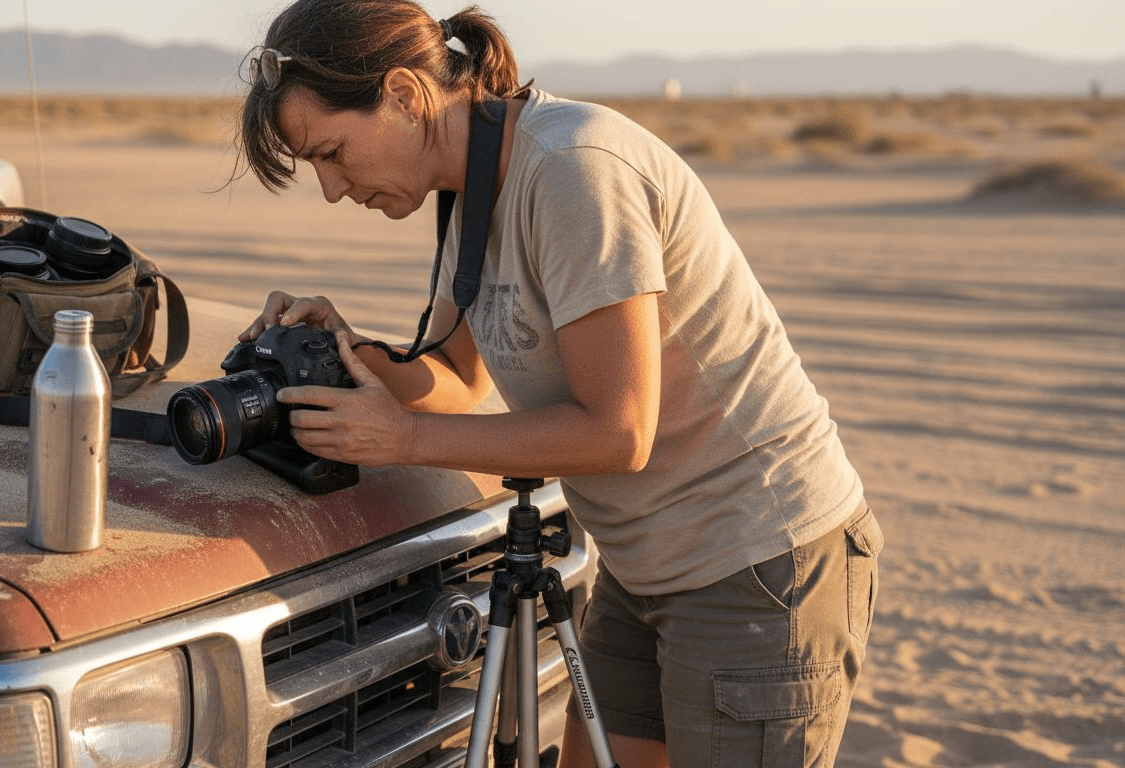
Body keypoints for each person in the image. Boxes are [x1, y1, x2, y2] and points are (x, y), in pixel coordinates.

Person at [233, 1, 884, 765]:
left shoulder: (571, 171)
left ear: (406, 97)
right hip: (644, 570)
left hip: (756, 567)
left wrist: (402, 438)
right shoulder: (471, 188)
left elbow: (619, 432)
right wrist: (348, 352)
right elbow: (454, 378)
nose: (333, 191)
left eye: (332, 153)